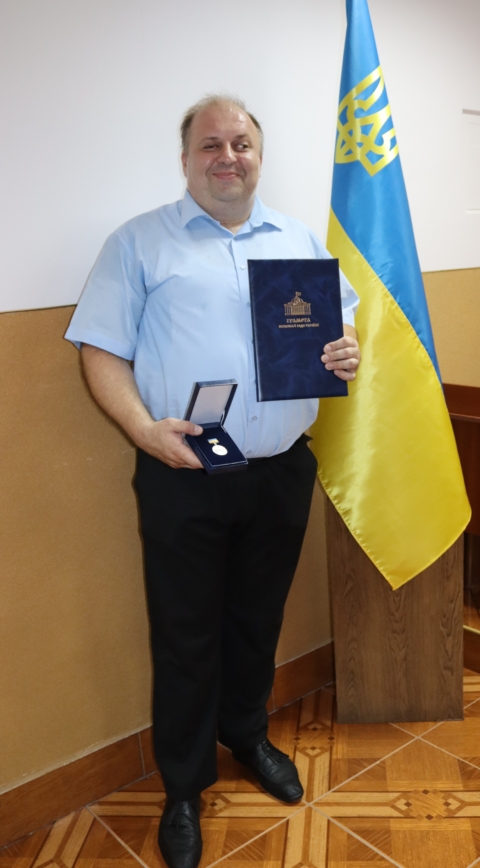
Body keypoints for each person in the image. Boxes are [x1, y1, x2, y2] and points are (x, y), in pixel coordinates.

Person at [65, 95, 360, 868]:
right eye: (211, 145)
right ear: (186, 159)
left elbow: (340, 327)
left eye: (241, 143)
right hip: (185, 471)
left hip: (280, 470)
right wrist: (143, 431)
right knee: (186, 634)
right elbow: (100, 350)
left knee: (257, 620)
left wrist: (346, 349)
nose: (228, 157)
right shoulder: (139, 243)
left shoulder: (297, 240)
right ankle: (184, 787)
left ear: (259, 156)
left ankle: (247, 734)